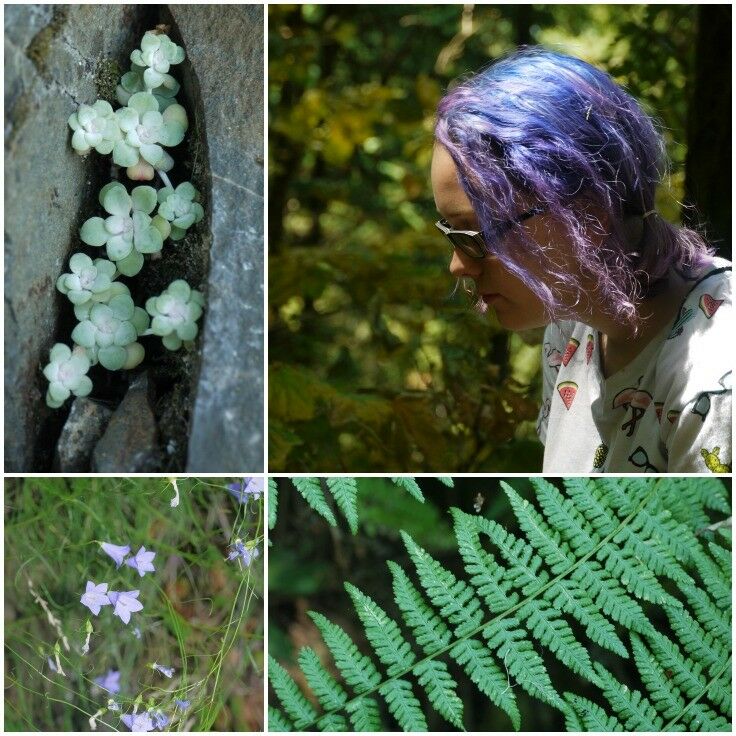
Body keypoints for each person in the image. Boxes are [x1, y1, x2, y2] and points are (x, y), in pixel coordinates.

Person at [431, 47, 731, 473]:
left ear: (586, 213)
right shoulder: (571, 322)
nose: (458, 265)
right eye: (452, 233)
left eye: (480, 233)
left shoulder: (715, 390)